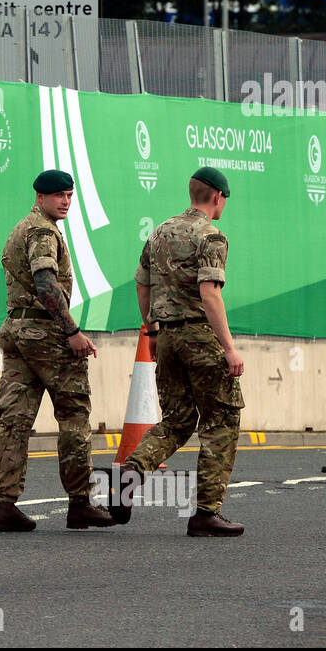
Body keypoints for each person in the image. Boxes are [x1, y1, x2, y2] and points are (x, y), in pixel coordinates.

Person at [111, 165, 246, 536]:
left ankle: (132, 469)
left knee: (177, 419)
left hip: (167, 339)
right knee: (221, 420)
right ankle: (205, 513)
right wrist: (229, 349)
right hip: (201, 339)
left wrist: (152, 330)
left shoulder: (160, 232)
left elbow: (141, 285)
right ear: (217, 197)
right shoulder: (212, 236)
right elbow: (210, 293)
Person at [0, 169, 116, 532]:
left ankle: (3, 504)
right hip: (45, 333)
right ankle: (80, 502)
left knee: (14, 419)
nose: (65, 201)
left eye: (69, 195)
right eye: (58, 195)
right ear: (40, 197)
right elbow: (45, 282)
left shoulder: (22, 227)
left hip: (16, 331)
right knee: (74, 414)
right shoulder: (43, 231)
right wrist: (72, 331)